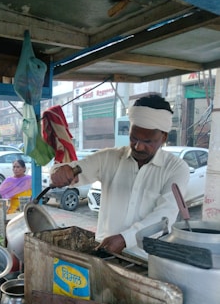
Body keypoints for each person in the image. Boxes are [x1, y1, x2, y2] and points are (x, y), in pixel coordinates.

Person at [50, 93, 190, 255]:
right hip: (104, 252)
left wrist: (125, 239)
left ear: (163, 137)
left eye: (147, 141)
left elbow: (164, 216)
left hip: (146, 258)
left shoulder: (176, 169)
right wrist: (60, 172)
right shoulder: (109, 158)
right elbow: (77, 168)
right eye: (134, 138)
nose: (138, 147)